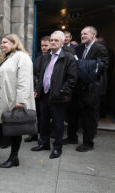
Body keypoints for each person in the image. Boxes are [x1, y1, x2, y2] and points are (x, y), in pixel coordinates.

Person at [0, 33, 35, 168]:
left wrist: (21, 100)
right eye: (2, 42)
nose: (2, 45)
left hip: (11, 99)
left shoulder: (22, 57)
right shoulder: (5, 58)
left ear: (14, 43)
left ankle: (14, 157)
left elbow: (24, 80)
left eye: (5, 42)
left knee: (14, 127)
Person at [31, 31, 77, 159]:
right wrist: (37, 89)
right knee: (43, 121)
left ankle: (57, 147)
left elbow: (72, 79)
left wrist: (61, 91)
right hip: (44, 95)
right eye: (51, 40)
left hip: (58, 96)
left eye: (56, 40)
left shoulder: (68, 58)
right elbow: (41, 75)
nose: (53, 42)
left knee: (57, 124)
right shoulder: (45, 57)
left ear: (62, 43)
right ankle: (44, 143)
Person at [65, 26, 109, 152]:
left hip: (92, 88)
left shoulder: (100, 48)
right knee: (72, 114)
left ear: (93, 35)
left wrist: (82, 66)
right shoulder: (79, 48)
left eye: (85, 34)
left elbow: (103, 66)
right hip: (78, 87)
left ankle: (88, 143)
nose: (82, 36)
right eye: (81, 34)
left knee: (88, 117)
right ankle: (71, 137)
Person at [25, 36, 50, 143]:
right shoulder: (38, 58)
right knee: (34, 114)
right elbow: (34, 73)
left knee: (44, 117)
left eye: (46, 45)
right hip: (36, 89)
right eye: (42, 45)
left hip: (46, 91)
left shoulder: (52, 58)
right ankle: (33, 134)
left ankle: (43, 138)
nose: (44, 48)